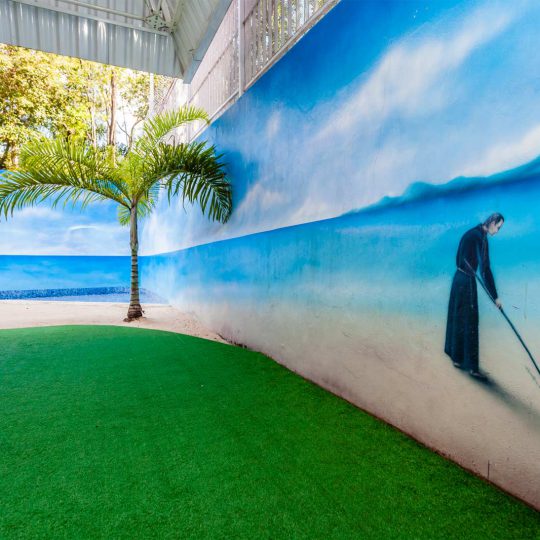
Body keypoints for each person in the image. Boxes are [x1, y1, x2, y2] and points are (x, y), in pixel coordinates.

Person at [444, 213, 504, 380]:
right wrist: (495, 297)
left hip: (458, 279)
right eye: (498, 227)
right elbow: (485, 269)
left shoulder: (473, 233)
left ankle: (456, 358)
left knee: (459, 318)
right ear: (491, 222)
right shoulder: (479, 238)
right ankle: (472, 367)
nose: (497, 231)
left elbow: (459, 258)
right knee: (470, 321)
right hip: (467, 282)